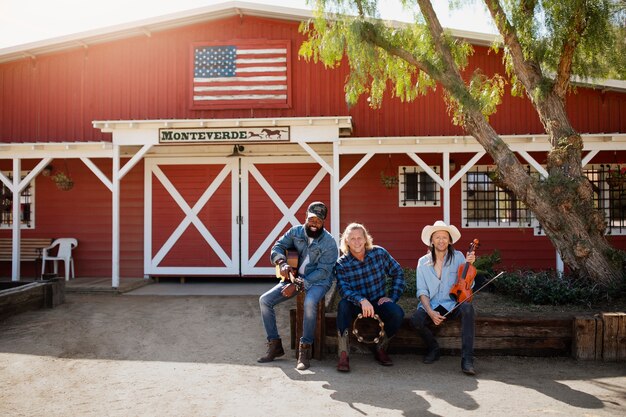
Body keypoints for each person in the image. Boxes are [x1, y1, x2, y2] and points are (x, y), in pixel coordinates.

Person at [258, 201, 338, 370]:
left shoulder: (329, 243)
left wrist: (299, 285)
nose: (314, 223)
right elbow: (277, 247)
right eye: (311, 219)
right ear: (305, 217)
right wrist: (282, 262)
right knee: (264, 300)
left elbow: (323, 271)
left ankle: (305, 349)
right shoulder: (295, 231)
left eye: (319, 220)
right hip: (293, 277)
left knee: (309, 303)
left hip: (319, 281)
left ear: (324, 222)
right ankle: (275, 345)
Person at [334, 222, 406, 372]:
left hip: (378, 300)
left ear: (366, 239)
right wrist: (361, 300)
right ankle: (343, 353)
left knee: (397, 313)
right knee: (342, 306)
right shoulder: (342, 263)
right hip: (356, 303)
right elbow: (343, 289)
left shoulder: (378, 253)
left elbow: (398, 272)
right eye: (352, 238)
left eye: (360, 237)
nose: (357, 241)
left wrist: (392, 297)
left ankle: (380, 347)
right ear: (346, 241)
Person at [410, 220, 477, 375]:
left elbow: (467, 284)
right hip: (432, 304)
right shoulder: (422, 262)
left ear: (449, 240)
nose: (441, 240)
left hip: (453, 303)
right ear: (432, 241)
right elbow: (422, 291)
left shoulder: (460, 257)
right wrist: (430, 312)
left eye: (445, 237)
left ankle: (467, 360)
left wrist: (470, 266)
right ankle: (433, 348)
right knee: (416, 320)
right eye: (437, 237)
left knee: (468, 308)